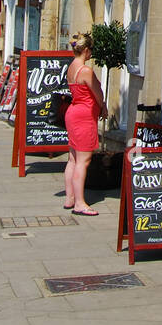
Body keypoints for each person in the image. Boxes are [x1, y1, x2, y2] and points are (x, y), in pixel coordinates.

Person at [64, 36, 106, 215]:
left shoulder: (71, 67)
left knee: (73, 158)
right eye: (91, 50)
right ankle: (80, 203)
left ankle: (70, 198)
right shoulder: (86, 70)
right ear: (86, 50)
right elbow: (97, 93)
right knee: (84, 160)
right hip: (85, 115)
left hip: (72, 112)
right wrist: (102, 106)